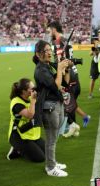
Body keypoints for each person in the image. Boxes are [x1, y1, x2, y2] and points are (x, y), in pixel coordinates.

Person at [33, 40, 69, 177]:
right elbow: (55, 86)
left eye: (50, 49)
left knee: (53, 137)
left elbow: (63, 83)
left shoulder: (47, 67)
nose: (49, 53)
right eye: (46, 50)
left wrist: (66, 68)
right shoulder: (40, 70)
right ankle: (50, 167)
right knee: (51, 138)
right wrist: (59, 69)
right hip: (49, 107)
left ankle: (52, 161)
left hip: (55, 104)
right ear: (38, 54)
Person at [7, 78, 45, 162]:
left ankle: (27, 148)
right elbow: (30, 115)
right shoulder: (16, 103)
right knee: (39, 158)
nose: (34, 90)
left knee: (46, 152)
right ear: (24, 91)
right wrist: (33, 100)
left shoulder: (29, 98)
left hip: (31, 134)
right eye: (32, 89)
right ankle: (16, 150)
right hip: (18, 135)